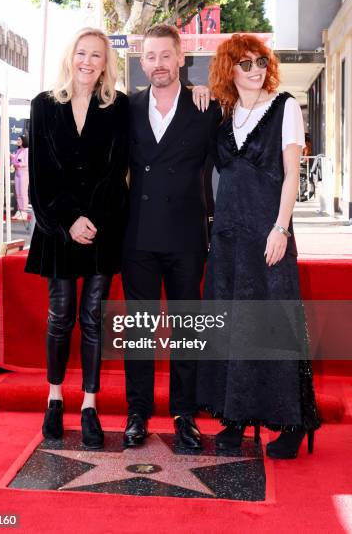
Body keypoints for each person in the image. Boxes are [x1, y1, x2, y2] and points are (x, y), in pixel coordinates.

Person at [196, 33, 320, 459]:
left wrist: (281, 228)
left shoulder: (284, 107)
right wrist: (197, 90)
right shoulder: (223, 111)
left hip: (268, 235)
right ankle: (235, 419)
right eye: (244, 64)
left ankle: (291, 423)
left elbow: (291, 175)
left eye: (260, 62)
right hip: (228, 238)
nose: (254, 71)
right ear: (229, 69)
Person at [24, 28, 129, 448]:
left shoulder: (118, 107)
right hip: (58, 229)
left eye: (97, 56)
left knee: (92, 318)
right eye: (82, 53)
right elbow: (40, 176)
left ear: (107, 64)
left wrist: (94, 220)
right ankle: (53, 399)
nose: (88, 62)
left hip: (103, 229)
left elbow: (117, 169)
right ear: (71, 58)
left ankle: (89, 404)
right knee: (60, 314)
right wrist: (69, 220)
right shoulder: (43, 106)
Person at [122, 24, 221, 450]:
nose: (158, 64)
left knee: (186, 330)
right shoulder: (127, 107)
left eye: (166, 55)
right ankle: (137, 413)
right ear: (141, 62)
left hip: (186, 234)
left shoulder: (206, 108)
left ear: (181, 58)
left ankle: (185, 414)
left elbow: (227, 165)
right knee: (139, 331)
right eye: (150, 57)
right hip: (138, 235)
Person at [10, 135, 29, 220]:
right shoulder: (18, 151)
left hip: (24, 173)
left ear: (23, 141)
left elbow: (26, 163)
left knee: (23, 192)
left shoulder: (27, 151)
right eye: (17, 139)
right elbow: (14, 160)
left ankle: (24, 211)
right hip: (17, 173)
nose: (17, 141)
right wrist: (11, 156)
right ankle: (19, 210)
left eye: (19, 139)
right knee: (18, 193)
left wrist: (17, 164)